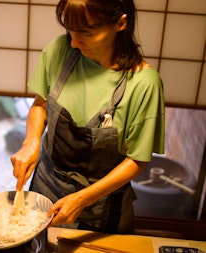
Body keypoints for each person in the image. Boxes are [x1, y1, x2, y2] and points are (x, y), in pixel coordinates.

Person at [11, 0, 165, 234]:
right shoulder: (60, 50)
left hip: (101, 208)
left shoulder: (143, 83)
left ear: (120, 24)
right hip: (45, 186)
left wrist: (82, 199)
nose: (74, 41)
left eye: (86, 32)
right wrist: (30, 141)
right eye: (70, 29)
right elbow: (40, 104)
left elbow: (137, 160)